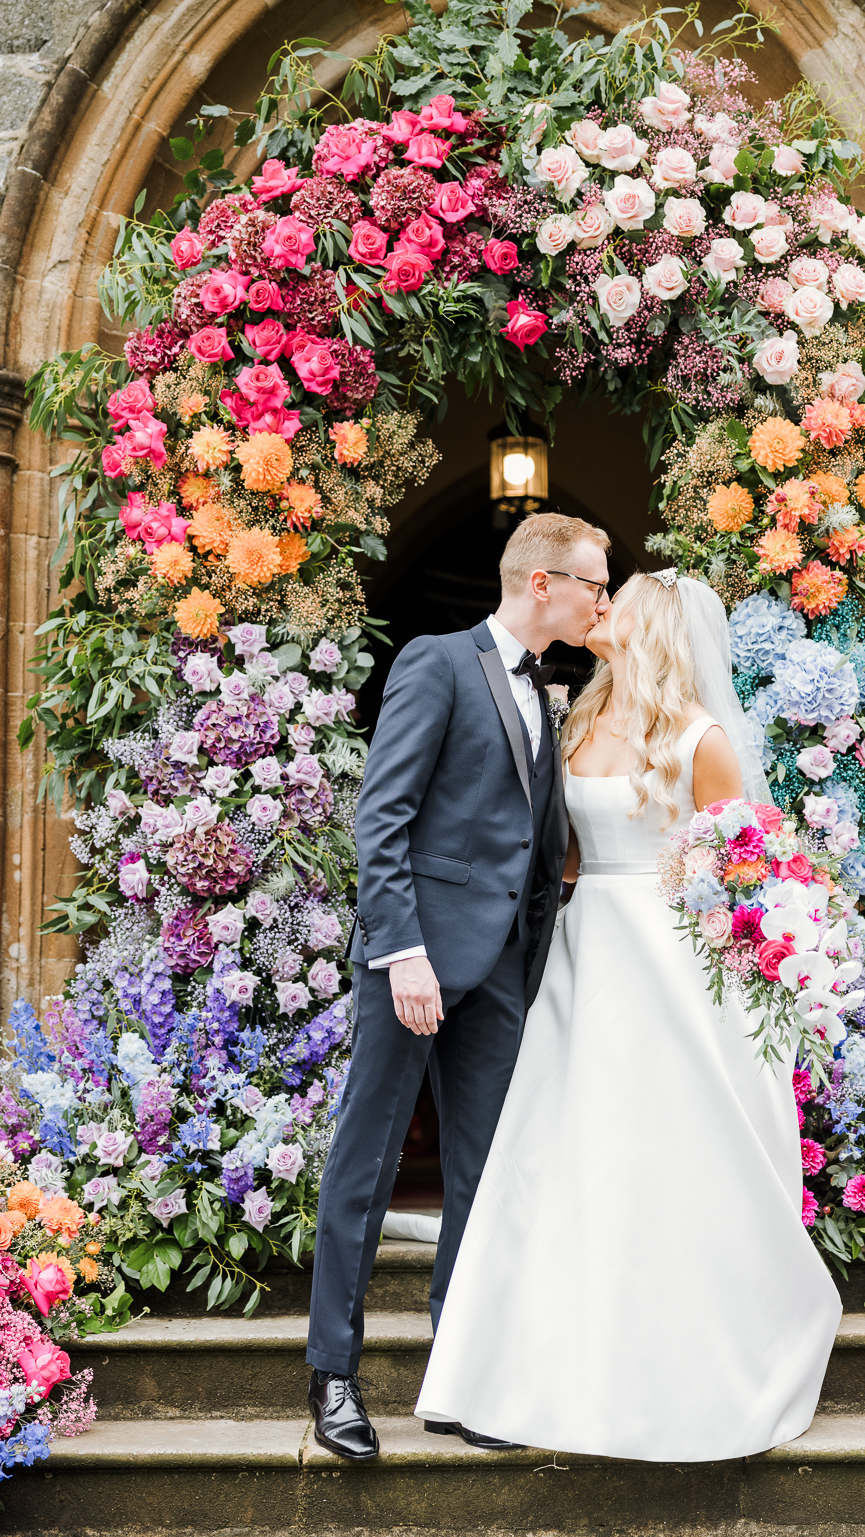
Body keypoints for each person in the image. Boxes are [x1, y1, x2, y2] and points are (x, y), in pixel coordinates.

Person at [415, 570, 843, 1462]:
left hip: (671, 967)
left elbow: (746, 876)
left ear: (657, 625)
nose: (601, 604)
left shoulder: (702, 739)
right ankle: (523, 1372)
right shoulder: (575, 720)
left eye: (623, 596)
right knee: (558, 1158)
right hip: (582, 955)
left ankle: (686, 1368)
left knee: (665, 1163)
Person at [306, 511, 612, 1461]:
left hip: (500, 979)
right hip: (417, 966)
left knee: (484, 1179)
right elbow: (383, 815)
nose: (601, 601)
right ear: (540, 584)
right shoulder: (438, 661)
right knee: (367, 1161)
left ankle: (461, 1377)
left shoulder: (550, 692)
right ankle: (333, 1377)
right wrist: (402, 954)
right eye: (593, 584)